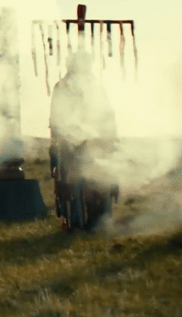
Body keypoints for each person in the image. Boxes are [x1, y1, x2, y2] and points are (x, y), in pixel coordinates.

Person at [49, 50, 119, 232]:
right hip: (71, 144)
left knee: (99, 182)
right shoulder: (62, 87)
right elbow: (57, 119)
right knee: (74, 185)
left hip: (95, 142)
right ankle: (77, 223)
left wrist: (109, 138)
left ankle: (100, 222)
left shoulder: (95, 86)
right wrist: (67, 138)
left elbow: (107, 115)